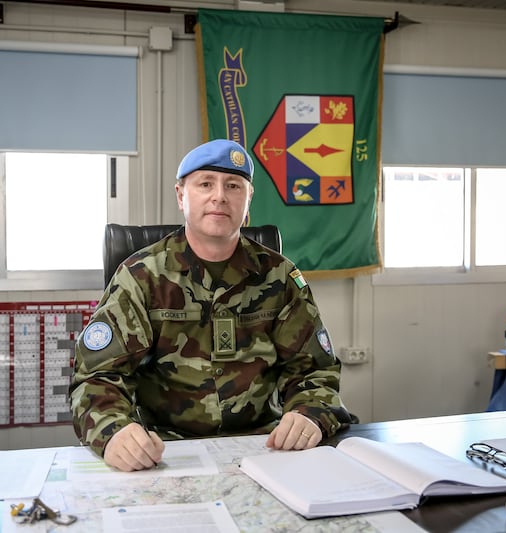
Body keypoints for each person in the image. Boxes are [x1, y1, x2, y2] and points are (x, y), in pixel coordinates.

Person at [69, 139, 352, 471]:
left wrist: (310, 414)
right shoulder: (141, 277)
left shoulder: (280, 277)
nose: (219, 195)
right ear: (180, 195)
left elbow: (314, 369)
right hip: (165, 450)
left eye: (233, 185)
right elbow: (96, 376)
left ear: (248, 200)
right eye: (205, 184)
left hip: (265, 448)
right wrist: (114, 432)